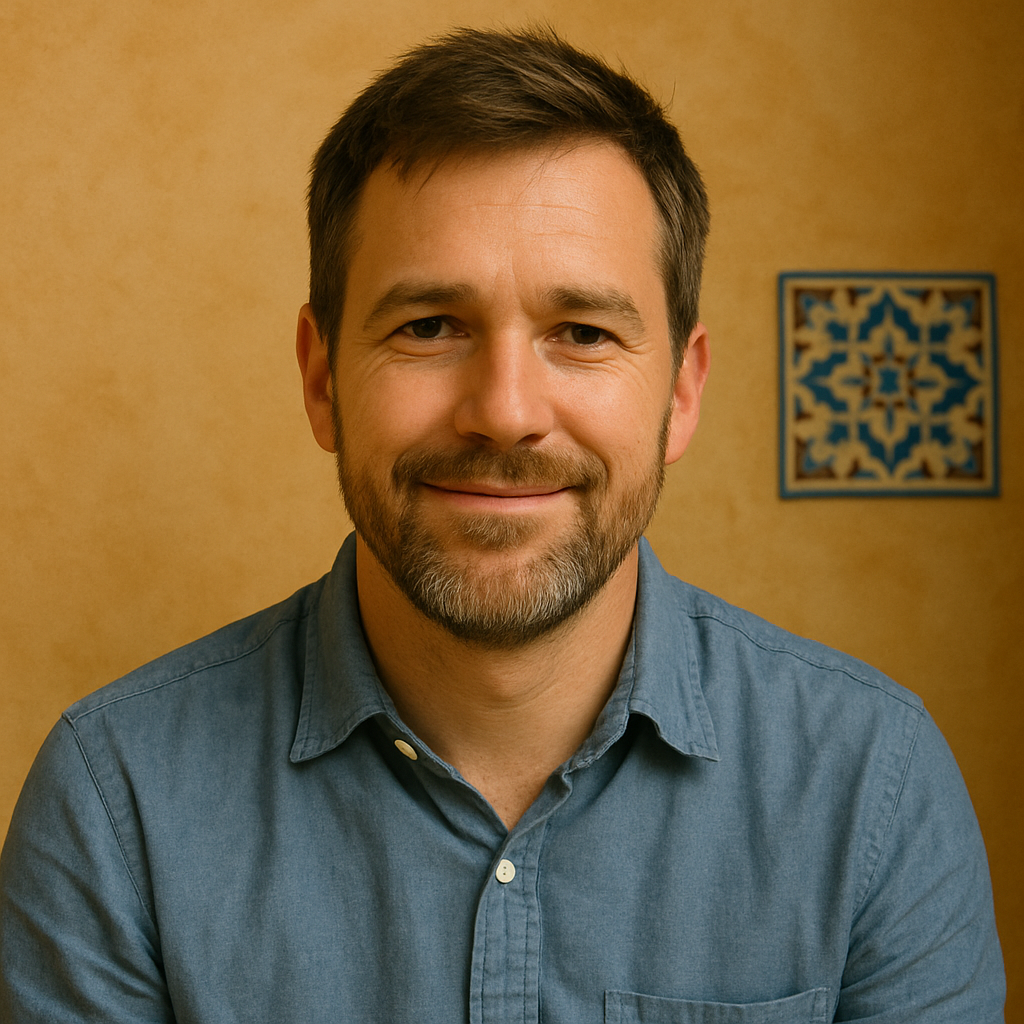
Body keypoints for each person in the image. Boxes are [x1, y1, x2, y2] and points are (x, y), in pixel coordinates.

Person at [0, 26, 1005, 1023]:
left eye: (582, 332)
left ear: (681, 392)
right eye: (429, 326)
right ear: (322, 379)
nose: (505, 410)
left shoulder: (872, 785)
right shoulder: (115, 802)